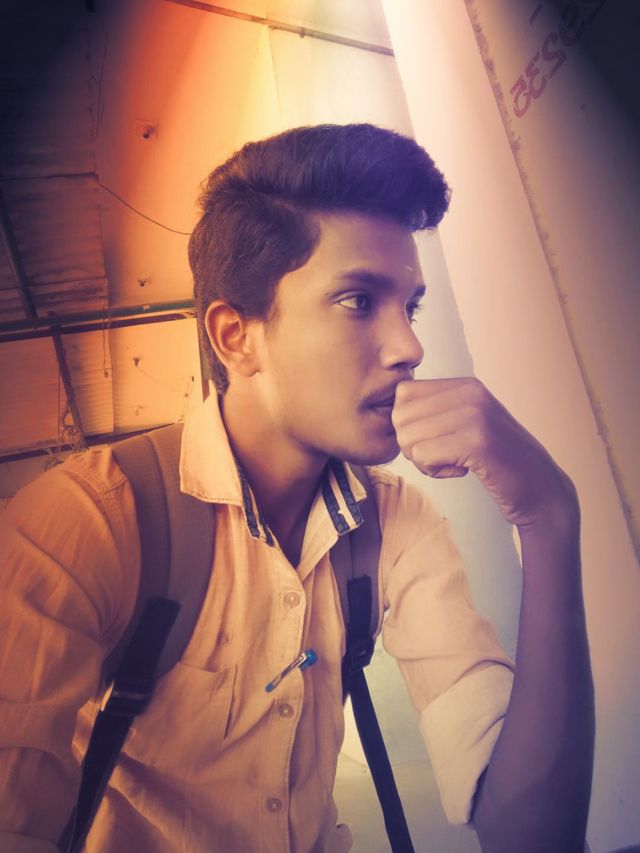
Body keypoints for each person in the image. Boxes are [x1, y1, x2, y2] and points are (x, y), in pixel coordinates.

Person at [0, 123, 594, 852]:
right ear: (235, 336)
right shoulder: (87, 521)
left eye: (409, 307)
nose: (410, 348)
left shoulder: (395, 524)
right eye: (357, 301)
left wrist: (549, 515)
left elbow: (532, 834)